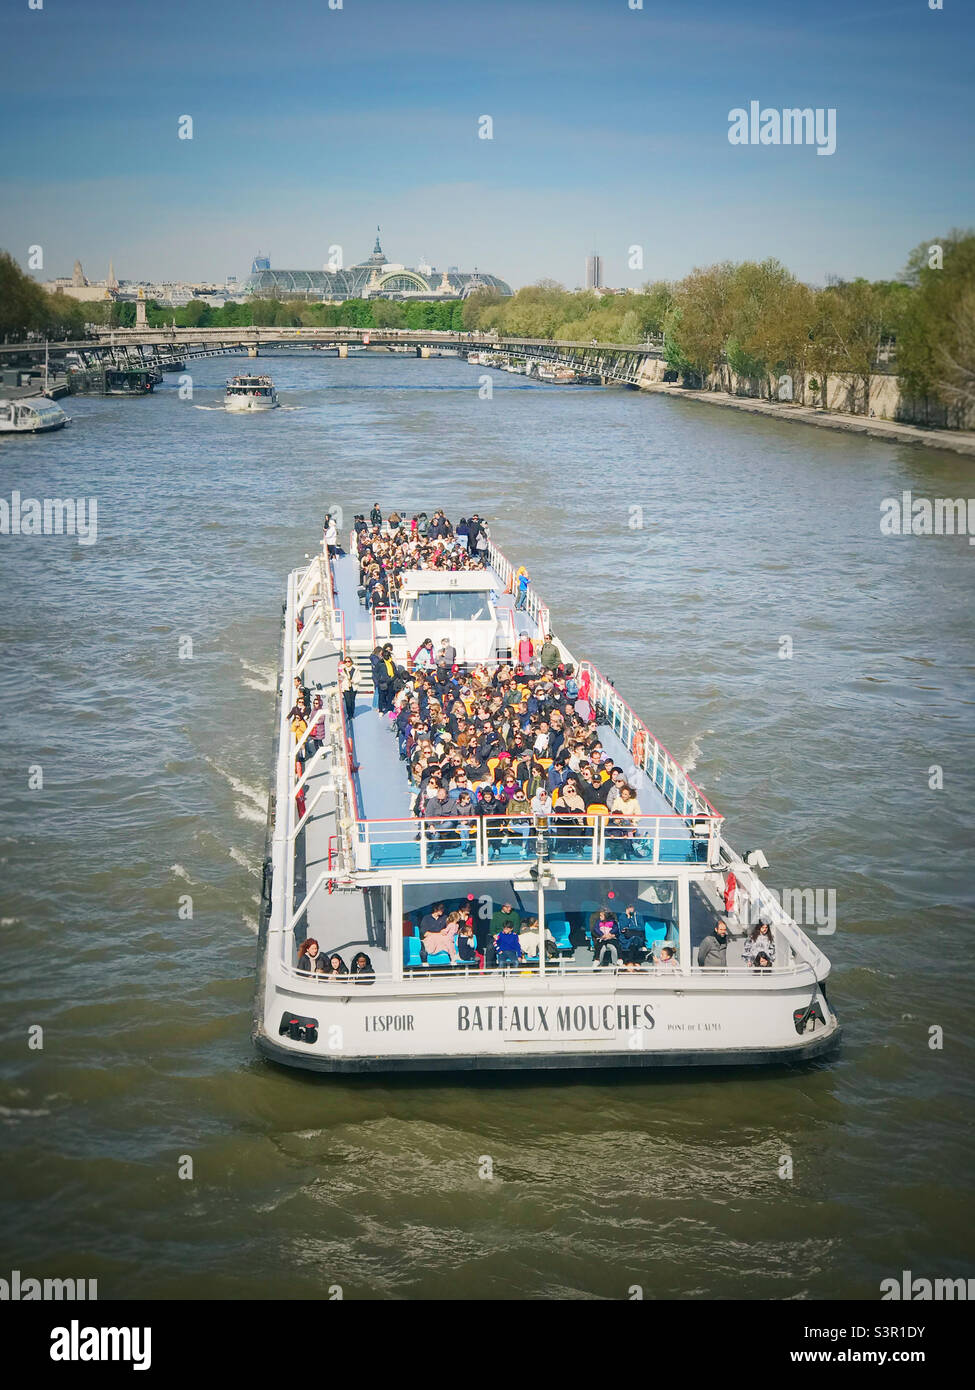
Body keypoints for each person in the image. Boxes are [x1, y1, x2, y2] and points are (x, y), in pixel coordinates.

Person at [338, 655, 356, 722]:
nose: (347, 663)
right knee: (348, 701)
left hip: (353, 687)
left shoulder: (354, 669)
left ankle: (352, 713)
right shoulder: (342, 669)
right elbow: (340, 678)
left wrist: (354, 681)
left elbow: (358, 677)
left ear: (351, 662)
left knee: (352, 701)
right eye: (346, 661)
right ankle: (349, 715)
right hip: (345, 687)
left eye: (349, 661)